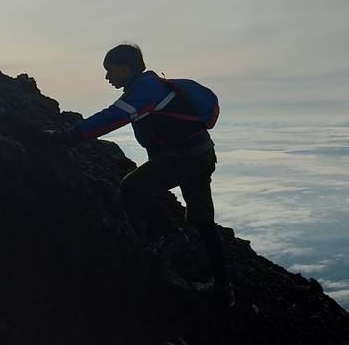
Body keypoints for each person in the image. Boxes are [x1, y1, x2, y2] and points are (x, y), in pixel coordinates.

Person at [48, 43, 233, 306]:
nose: (107, 77)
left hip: (185, 157)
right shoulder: (153, 86)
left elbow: (112, 117)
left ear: (126, 67)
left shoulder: (145, 90)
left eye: (110, 70)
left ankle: (172, 237)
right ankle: (223, 289)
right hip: (201, 153)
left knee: (131, 188)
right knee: (204, 222)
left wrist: (70, 136)